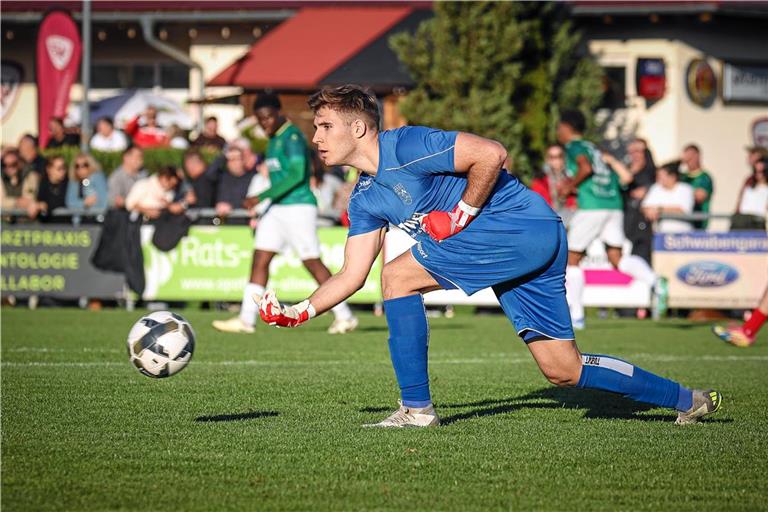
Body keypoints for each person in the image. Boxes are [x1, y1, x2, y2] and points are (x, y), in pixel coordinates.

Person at [252, 84, 721, 427]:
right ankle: (687, 400)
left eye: (324, 125)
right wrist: (301, 310)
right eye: (316, 127)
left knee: (397, 277)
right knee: (563, 370)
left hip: (522, 229)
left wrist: (458, 216)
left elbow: (493, 153)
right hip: (528, 244)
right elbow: (352, 274)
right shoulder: (364, 197)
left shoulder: (407, 144)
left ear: (358, 127)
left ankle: (417, 410)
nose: (315, 136)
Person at [213, 94, 357, 335]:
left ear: (280, 113)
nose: (265, 123)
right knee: (260, 258)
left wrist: (261, 196)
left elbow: (297, 175)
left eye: (268, 117)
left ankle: (345, 316)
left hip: (298, 207)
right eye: (260, 119)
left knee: (311, 261)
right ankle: (246, 319)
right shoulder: (273, 140)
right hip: (277, 208)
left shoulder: (292, 138)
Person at [556, 111, 666, 328]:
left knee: (572, 259)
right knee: (616, 258)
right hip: (613, 205)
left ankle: (576, 316)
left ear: (568, 128)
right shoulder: (594, 148)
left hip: (593, 207)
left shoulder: (575, 147)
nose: (558, 132)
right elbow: (614, 176)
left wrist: (570, 186)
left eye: (560, 127)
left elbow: (585, 168)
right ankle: (655, 281)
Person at [621, 138, 657, 264]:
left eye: (638, 151)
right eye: (631, 151)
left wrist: (648, 189)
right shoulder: (626, 171)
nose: (634, 155)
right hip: (626, 221)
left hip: (643, 225)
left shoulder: (653, 173)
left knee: (641, 259)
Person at [641, 163, 695, 233]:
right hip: (661, 235)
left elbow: (683, 210)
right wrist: (650, 211)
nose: (657, 179)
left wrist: (659, 209)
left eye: (661, 176)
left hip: (683, 235)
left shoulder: (686, 189)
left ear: (672, 177)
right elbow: (644, 207)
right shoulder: (656, 188)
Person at [530, 144, 576, 225]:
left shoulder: (572, 178)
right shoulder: (540, 180)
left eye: (559, 156)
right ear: (547, 159)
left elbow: (575, 203)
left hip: (570, 217)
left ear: (564, 158)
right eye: (552, 157)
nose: (556, 160)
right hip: (548, 219)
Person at [211, 143, 254, 218]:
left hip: (242, 223)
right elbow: (208, 175)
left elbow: (252, 200)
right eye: (229, 159)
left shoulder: (252, 178)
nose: (232, 163)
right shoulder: (222, 177)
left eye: (235, 159)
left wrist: (232, 206)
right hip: (222, 223)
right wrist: (223, 156)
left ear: (243, 160)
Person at [730, 150, 767, 231]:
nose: (759, 175)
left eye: (762, 172)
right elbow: (740, 200)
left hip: (758, 221)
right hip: (743, 219)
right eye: (756, 171)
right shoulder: (749, 181)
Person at [680, 144, 714, 230]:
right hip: (682, 223)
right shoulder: (682, 177)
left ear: (698, 156)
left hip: (698, 222)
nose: (689, 160)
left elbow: (700, 196)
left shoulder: (704, 177)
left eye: (691, 157)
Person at [1, 148, 40, 214]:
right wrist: (16, 202)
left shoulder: (29, 175)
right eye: (4, 165)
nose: (8, 168)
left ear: (20, 163)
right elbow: (1, 201)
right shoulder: (2, 176)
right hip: (6, 219)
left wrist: (10, 202)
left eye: (13, 164)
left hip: (25, 219)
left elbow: (28, 199)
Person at [31, 155, 68, 221]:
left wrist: (46, 205)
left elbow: (64, 201)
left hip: (65, 226)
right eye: (59, 168)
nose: (63, 171)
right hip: (46, 226)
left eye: (64, 168)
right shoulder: (42, 184)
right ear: (48, 169)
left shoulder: (68, 184)